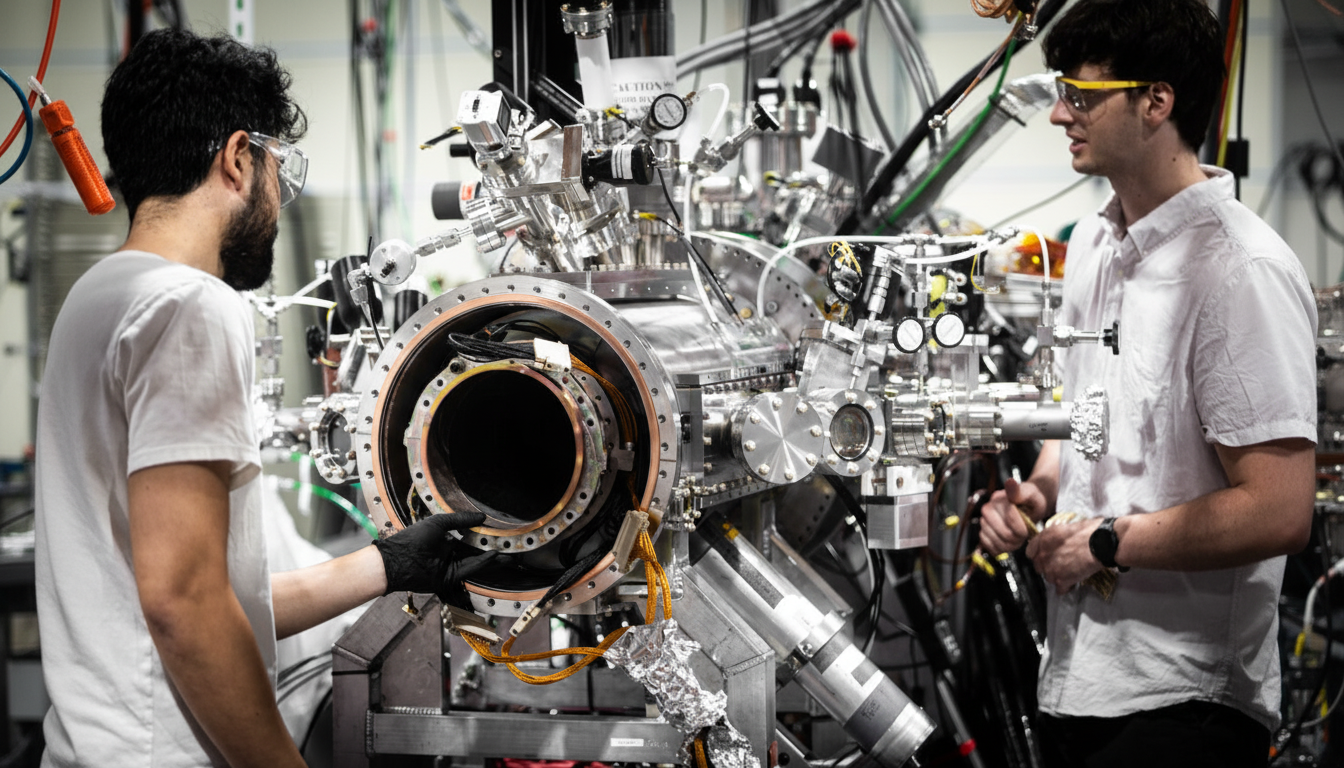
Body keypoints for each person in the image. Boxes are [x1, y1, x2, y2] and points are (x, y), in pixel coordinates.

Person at [34, 29, 488, 768]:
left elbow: (199, 589)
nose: (278, 197)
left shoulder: (95, 298)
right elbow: (183, 602)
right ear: (239, 158)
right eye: (282, 169)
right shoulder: (190, 306)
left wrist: (390, 563)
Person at [977, 0, 1317, 765]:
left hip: (1188, 702)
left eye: (1084, 96)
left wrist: (1103, 542)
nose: (1060, 113)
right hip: (1078, 679)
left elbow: (1279, 509)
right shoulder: (1097, 242)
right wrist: (1036, 495)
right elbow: (1086, 419)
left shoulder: (1241, 272)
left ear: (1157, 101)